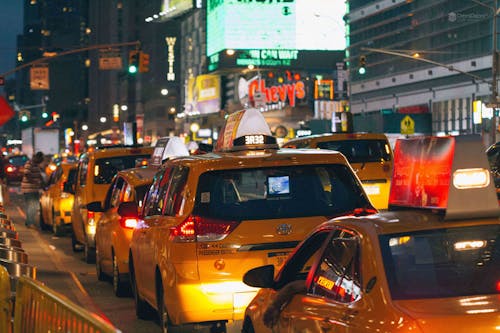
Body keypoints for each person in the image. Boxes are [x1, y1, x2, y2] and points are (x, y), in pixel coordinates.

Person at [21, 151, 46, 228]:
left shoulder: (36, 165)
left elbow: (38, 175)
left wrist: (42, 182)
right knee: (32, 205)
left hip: (34, 189)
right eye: (41, 159)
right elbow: (27, 174)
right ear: (37, 158)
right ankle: (30, 223)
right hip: (29, 189)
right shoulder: (29, 163)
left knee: (33, 206)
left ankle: (29, 222)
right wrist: (34, 181)